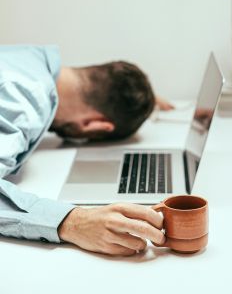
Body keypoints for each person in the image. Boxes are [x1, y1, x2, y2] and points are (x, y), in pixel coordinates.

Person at [0, 44, 172, 256]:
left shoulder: (31, 59)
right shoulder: (23, 104)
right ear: (96, 126)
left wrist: (148, 102)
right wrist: (73, 222)